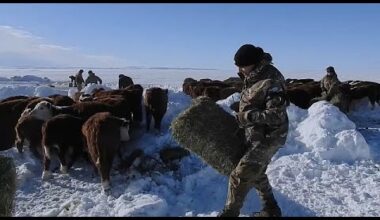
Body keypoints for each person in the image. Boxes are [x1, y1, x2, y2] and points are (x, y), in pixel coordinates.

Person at [218, 44, 289, 217]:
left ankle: (229, 214)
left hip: (270, 136)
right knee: (256, 173)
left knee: (240, 175)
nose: (240, 70)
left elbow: (276, 115)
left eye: (242, 66)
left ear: (254, 62)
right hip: (256, 134)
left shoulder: (271, 79)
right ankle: (271, 209)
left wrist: (246, 117)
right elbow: (256, 98)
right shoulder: (253, 75)